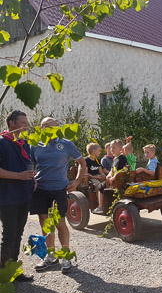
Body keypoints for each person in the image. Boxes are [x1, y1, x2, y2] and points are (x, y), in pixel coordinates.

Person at [31, 117, 87, 273]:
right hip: (40, 189)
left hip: (58, 189)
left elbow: (82, 162)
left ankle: (66, 257)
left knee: (60, 223)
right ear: (40, 128)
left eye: (51, 126)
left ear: (57, 128)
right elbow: (31, 165)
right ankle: (50, 256)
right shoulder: (35, 145)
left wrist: (76, 181)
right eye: (45, 126)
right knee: (44, 222)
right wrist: (30, 179)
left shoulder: (66, 144)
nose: (48, 128)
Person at [0, 110, 35, 282]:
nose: (26, 126)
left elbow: (26, 164)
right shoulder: (1, 142)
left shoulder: (24, 143)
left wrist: (31, 177)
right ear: (11, 124)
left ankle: (13, 271)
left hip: (23, 196)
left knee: (18, 233)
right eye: (22, 123)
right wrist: (19, 176)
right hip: (7, 198)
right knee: (9, 235)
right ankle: (4, 274)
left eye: (26, 122)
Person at [85, 143, 106, 214]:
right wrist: (96, 177)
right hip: (91, 178)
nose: (100, 152)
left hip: (98, 176)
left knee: (107, 182)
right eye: (99, 151)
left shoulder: (97, 160)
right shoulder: (86, 160)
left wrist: (103, 175)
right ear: (94, 151)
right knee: (98, 185)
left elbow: (100, 171)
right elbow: (86, 173)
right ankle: (100, 204)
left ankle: (108, 200)